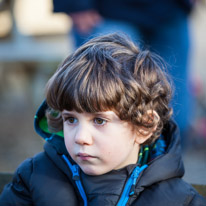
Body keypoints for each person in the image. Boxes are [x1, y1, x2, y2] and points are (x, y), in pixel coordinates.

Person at [0, 33, 205, 205]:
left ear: (144, 126)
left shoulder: (178, 200)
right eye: (70, 119)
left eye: (99, 120)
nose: (81, 137)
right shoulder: (35, 177)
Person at [53, 0, 194, 143]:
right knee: (99, 108)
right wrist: (76, 4)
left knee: (175, 121)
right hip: (107, 12)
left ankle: (162, 164)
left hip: (171, 12)